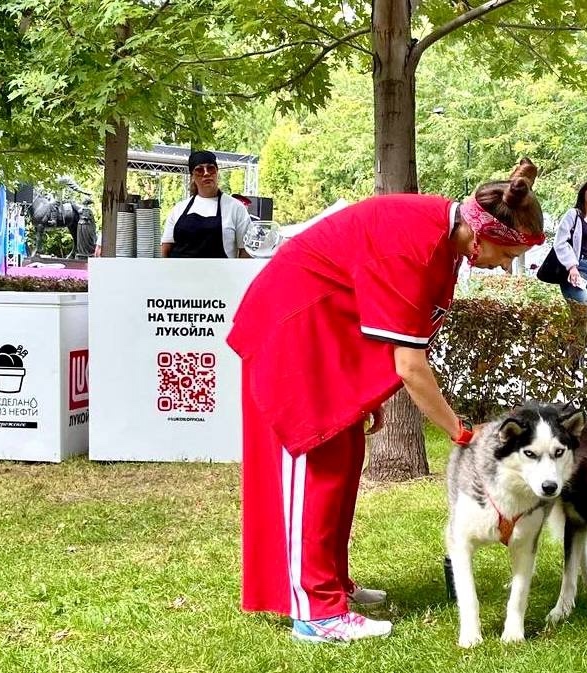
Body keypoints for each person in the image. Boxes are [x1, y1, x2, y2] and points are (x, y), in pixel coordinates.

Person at [226, 159, 545, 644]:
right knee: (317, 465)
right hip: (292, 332)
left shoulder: (443, 242)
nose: (505, 265)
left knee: (346, 457)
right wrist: (460, 432)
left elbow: (372, 308)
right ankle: (315, 613)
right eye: (505, 253)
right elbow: (410, 366)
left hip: (325, 336)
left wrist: (362, 390)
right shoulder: (419, 247)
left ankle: (331, 586)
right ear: (480, 234)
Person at [160, 150, 253, 258]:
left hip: (221, 273)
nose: (206, 173)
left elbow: (246, 250)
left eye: (211, 168)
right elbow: (166, 248)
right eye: (199, 170)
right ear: (192, 176)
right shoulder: (179, 209)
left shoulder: (235, 208)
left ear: (217, 172)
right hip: (180, 273)